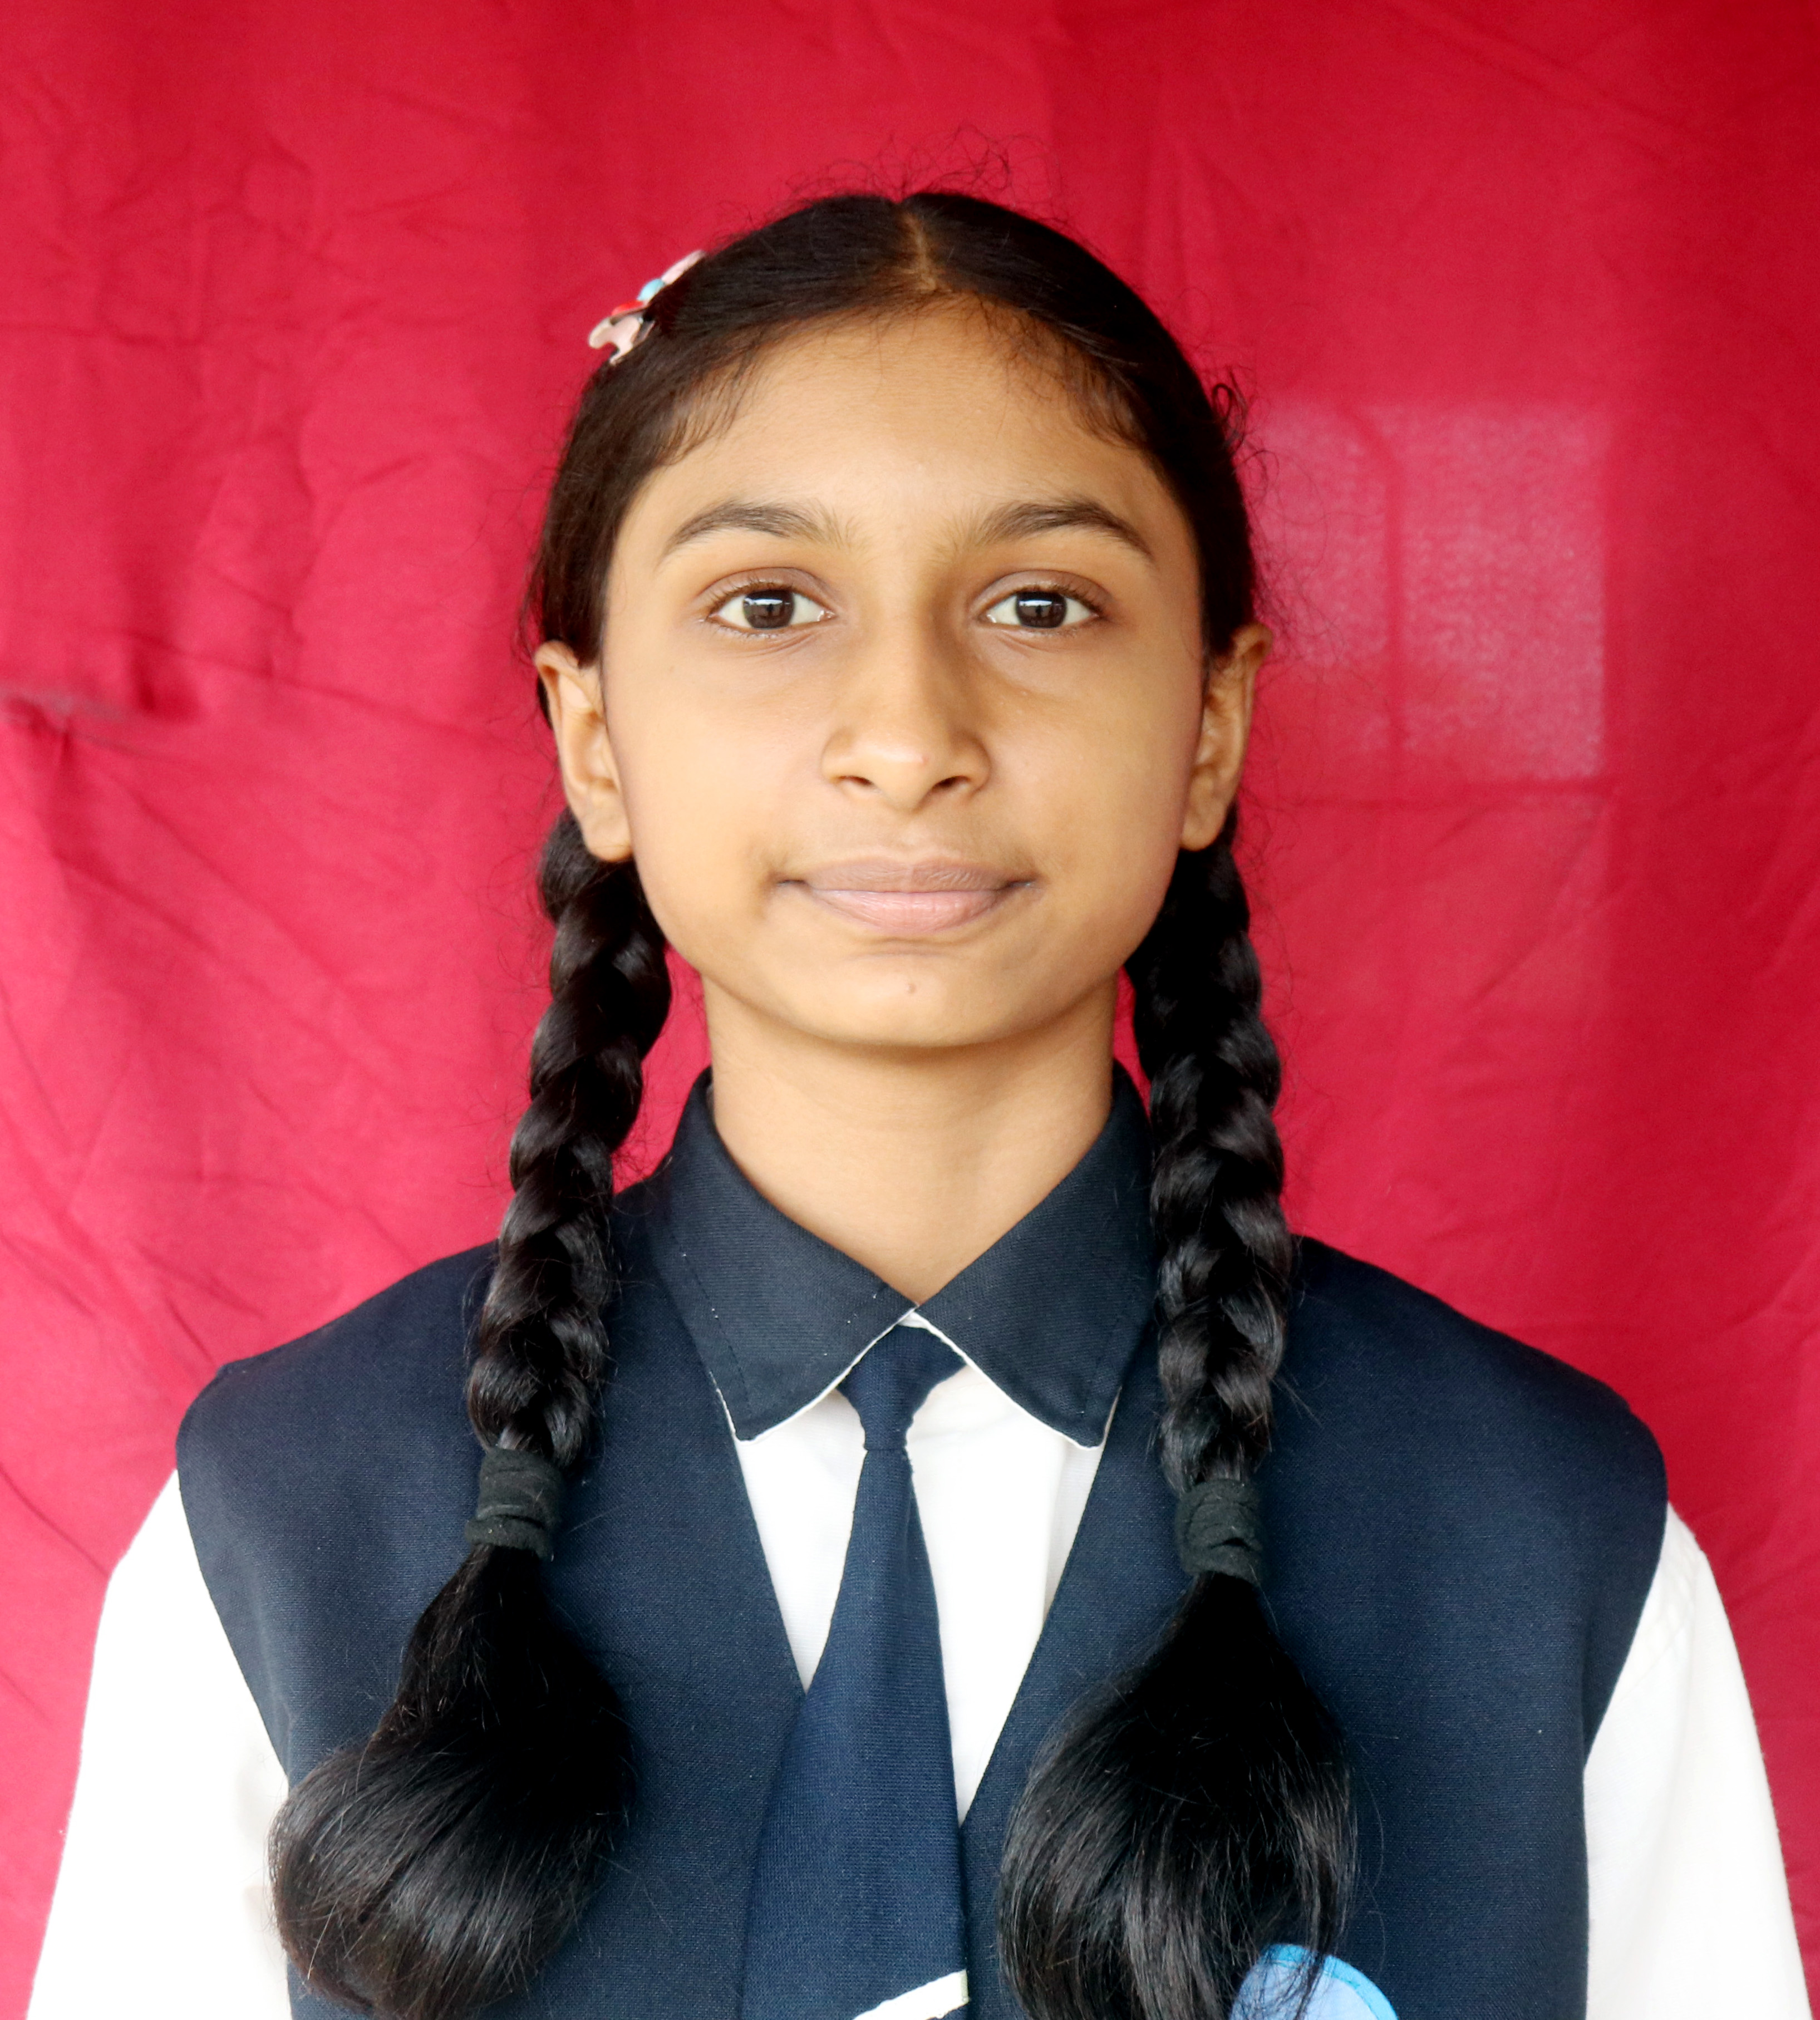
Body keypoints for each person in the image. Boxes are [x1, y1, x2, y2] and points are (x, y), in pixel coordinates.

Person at [27, 192, 1810, 2020]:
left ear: (1210, 722)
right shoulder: (286, 1517)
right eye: (768, 606)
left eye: (1042, 605)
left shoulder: (1537, 1535)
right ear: (592, 735)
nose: (906, 735)